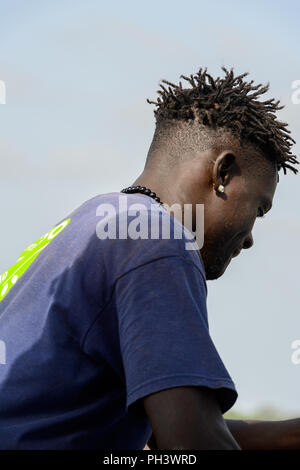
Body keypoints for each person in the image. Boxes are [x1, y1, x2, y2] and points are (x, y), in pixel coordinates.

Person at [0, 67, 299, 450]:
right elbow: (192, 443)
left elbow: (165, 430)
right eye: (258, 209)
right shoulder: (158, 241)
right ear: (222, 173)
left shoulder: (99, 219)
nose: (251, 239)